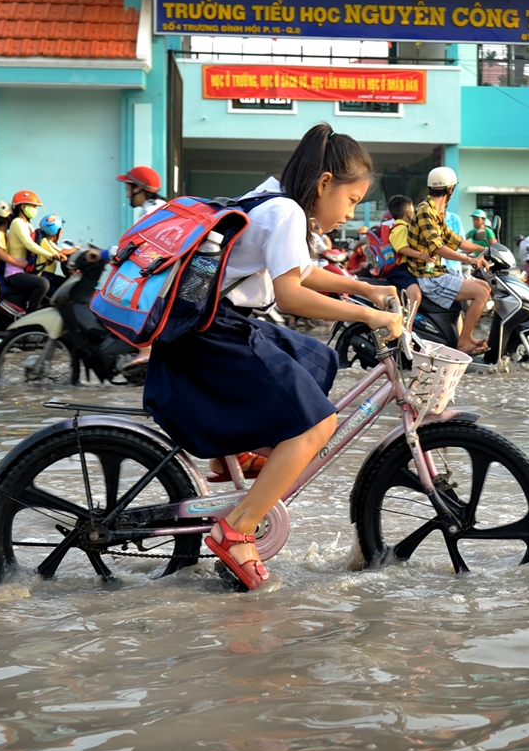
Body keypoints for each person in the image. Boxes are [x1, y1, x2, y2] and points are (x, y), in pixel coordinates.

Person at [143, 123, 402, 592]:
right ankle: (237, 528)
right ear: (325, 183)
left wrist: (365, 288)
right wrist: (372, 318)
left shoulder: (272, 198)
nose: (350, 213)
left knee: (317, 358)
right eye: (351, 200)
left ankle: (233, 453)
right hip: (213, 335)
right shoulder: (285, 211)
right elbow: (292, 296)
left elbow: (302, 272)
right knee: (317, 424)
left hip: (210, 328)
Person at [406, 167, 492, 354]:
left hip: (437, 272)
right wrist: (469, 260)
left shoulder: (437, 211)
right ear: (450, 190)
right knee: (481, 293)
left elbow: (455, 240)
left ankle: (465, 336)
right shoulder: (425, 211)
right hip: (428, 277)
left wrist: (485, 249)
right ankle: (464, 342)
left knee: (485, 287)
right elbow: (437, 247)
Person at [0, 190, 56, 312]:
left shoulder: (28, 225)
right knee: (43, 284)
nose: (35, 209)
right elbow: (29, 244)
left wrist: (59, 252)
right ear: (23, 206)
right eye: (34, 206)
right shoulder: (17, 222)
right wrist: (51, 254)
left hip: (25, 269)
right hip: (14, 273)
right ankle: (30, 315)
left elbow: (42, 242)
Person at [384, 194, 430, 309]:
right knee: (415, 294)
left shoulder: (404, 227)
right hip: (398, 269)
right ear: (409, 213)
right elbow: (401, 248)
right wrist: (421, 255)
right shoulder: (400, 228)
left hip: (404, 268)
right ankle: (407, 325)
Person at [34, 214, 76, 293]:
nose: (61, 233)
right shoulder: (45, 241)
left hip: (50, 276)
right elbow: (62, 252)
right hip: (43, 276)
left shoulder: (50, 243)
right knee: (58, 295)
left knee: (69, 286)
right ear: (56, 230)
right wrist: (76, 248)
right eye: (61, 230)